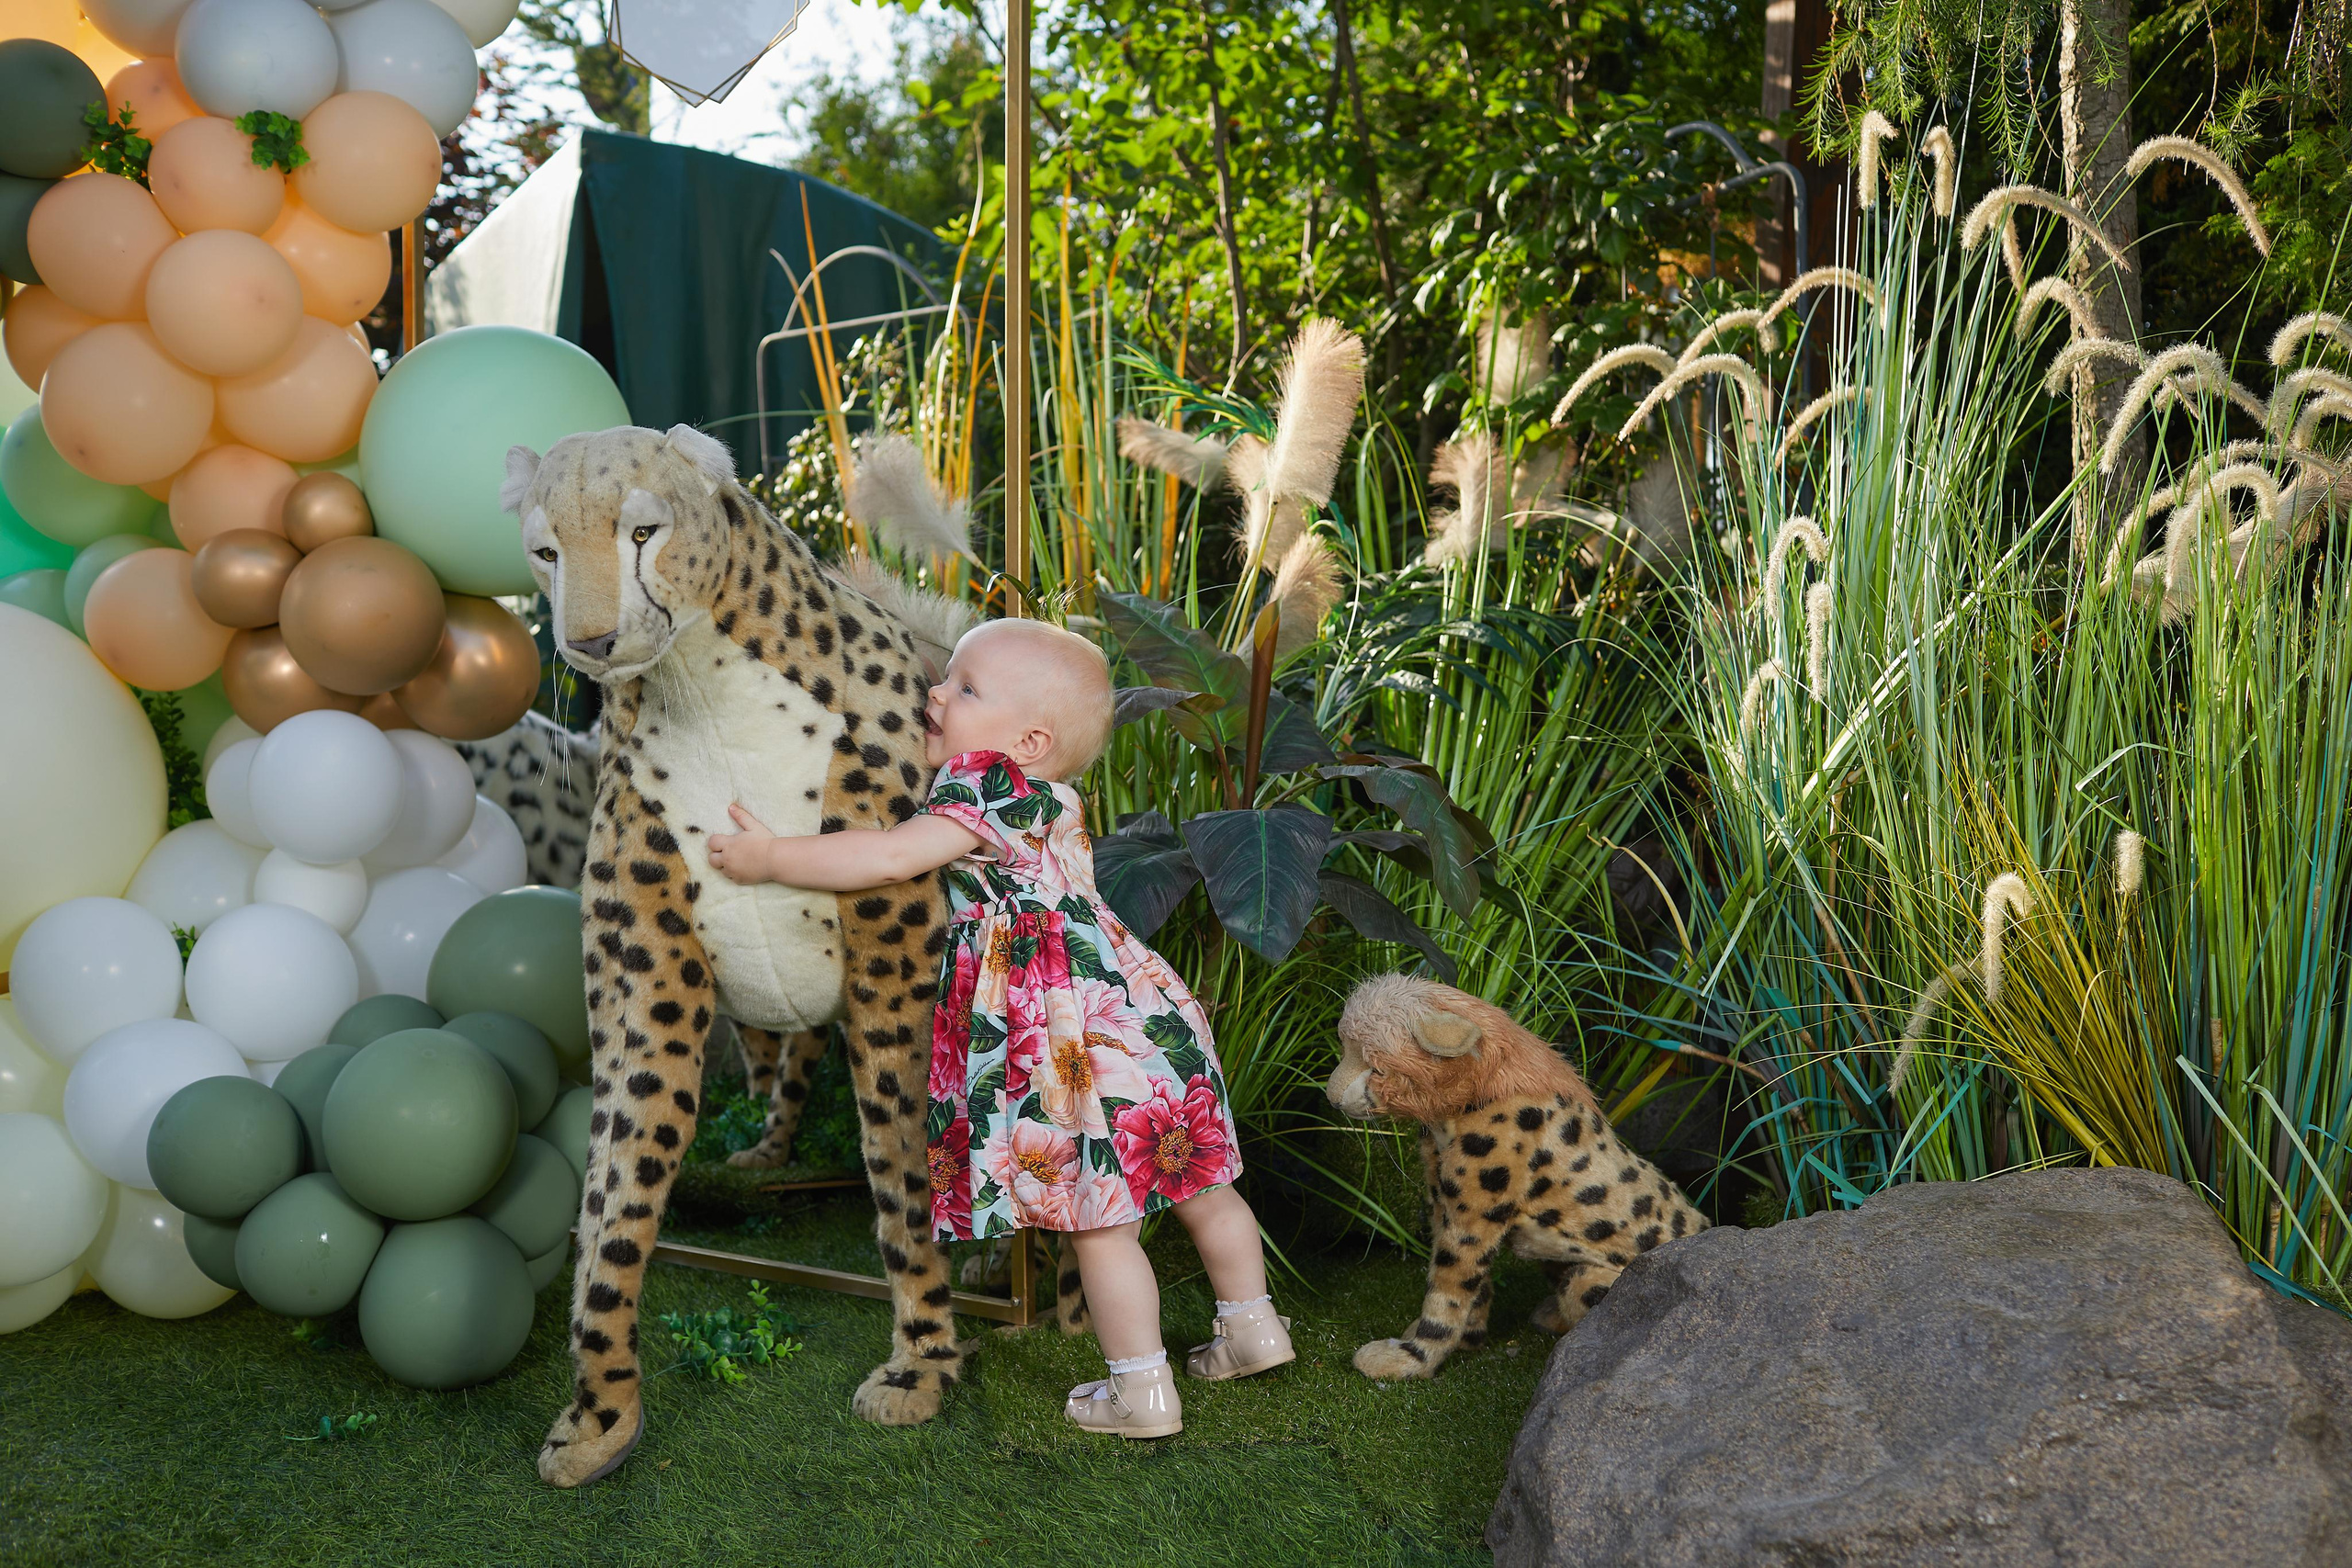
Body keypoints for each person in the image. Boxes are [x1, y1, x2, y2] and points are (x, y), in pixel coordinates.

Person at [707, 615, 1291, 1438]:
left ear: (1029, 739)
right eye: (947, 677)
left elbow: (886, 856)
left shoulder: (985, 782)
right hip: (1143, 1011)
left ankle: (1142, 1393)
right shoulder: (1052, 797)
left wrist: (772, 859)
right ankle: (1253, 1327)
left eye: (966, 686)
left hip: (1069, 1044)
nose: (937, 692)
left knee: (1101, 1223)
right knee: (1204, 1183)